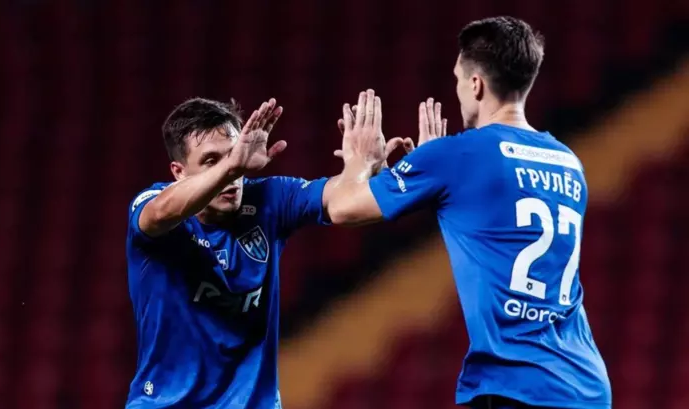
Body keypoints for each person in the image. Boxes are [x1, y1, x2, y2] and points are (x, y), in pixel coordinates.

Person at [324, 16, 611, 409]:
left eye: (458, 79)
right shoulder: (568, 162)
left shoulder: (459, 154)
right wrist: (435, 178)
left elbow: (342, 209)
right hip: (586, 386)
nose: (458, 89)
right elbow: (497, 225)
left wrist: (361, 161)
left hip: (517, 386)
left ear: (475, 84)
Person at [125, 96, 406, 408]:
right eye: (211, 160)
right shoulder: (154, 205)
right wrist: (232, 166)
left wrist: (363, 169)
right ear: (179, 172)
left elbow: (344, 204)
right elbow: (160, 212)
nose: (233, 172)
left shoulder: (270, 198)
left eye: (234, 153)